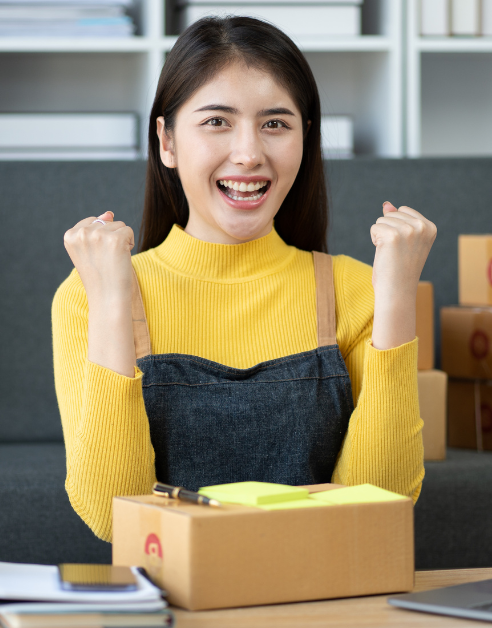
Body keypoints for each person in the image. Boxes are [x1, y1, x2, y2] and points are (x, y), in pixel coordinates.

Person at [53, 16, 436, 541]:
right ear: (166, 141)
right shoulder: (89, 294)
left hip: (321, 604)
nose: (250, 153)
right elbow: (112, 515)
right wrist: (116, 301)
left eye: (275, 123)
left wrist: (395, 294)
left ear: (306, 140)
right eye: (217, 121)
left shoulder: (356, 291)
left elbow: (378, 506)